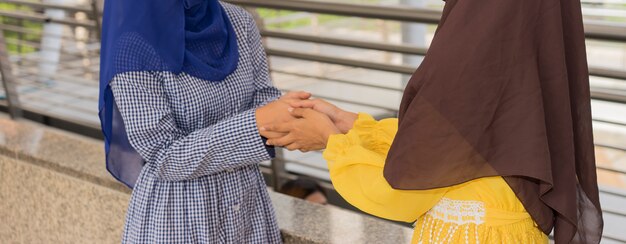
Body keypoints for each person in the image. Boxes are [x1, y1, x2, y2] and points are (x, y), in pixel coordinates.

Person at [263, 0, 604, 243]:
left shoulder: (474, 48)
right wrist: (353, 125)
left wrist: (331, 141)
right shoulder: (520, 42)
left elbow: (399, 190)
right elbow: (459, 141)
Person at [98, 0, 309, 243]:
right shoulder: (133, 46)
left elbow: (263, 97)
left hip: (248, 206)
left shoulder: (239, 21)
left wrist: (299, 115)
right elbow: (162, 156)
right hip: (179, 215)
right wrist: (256, 124)